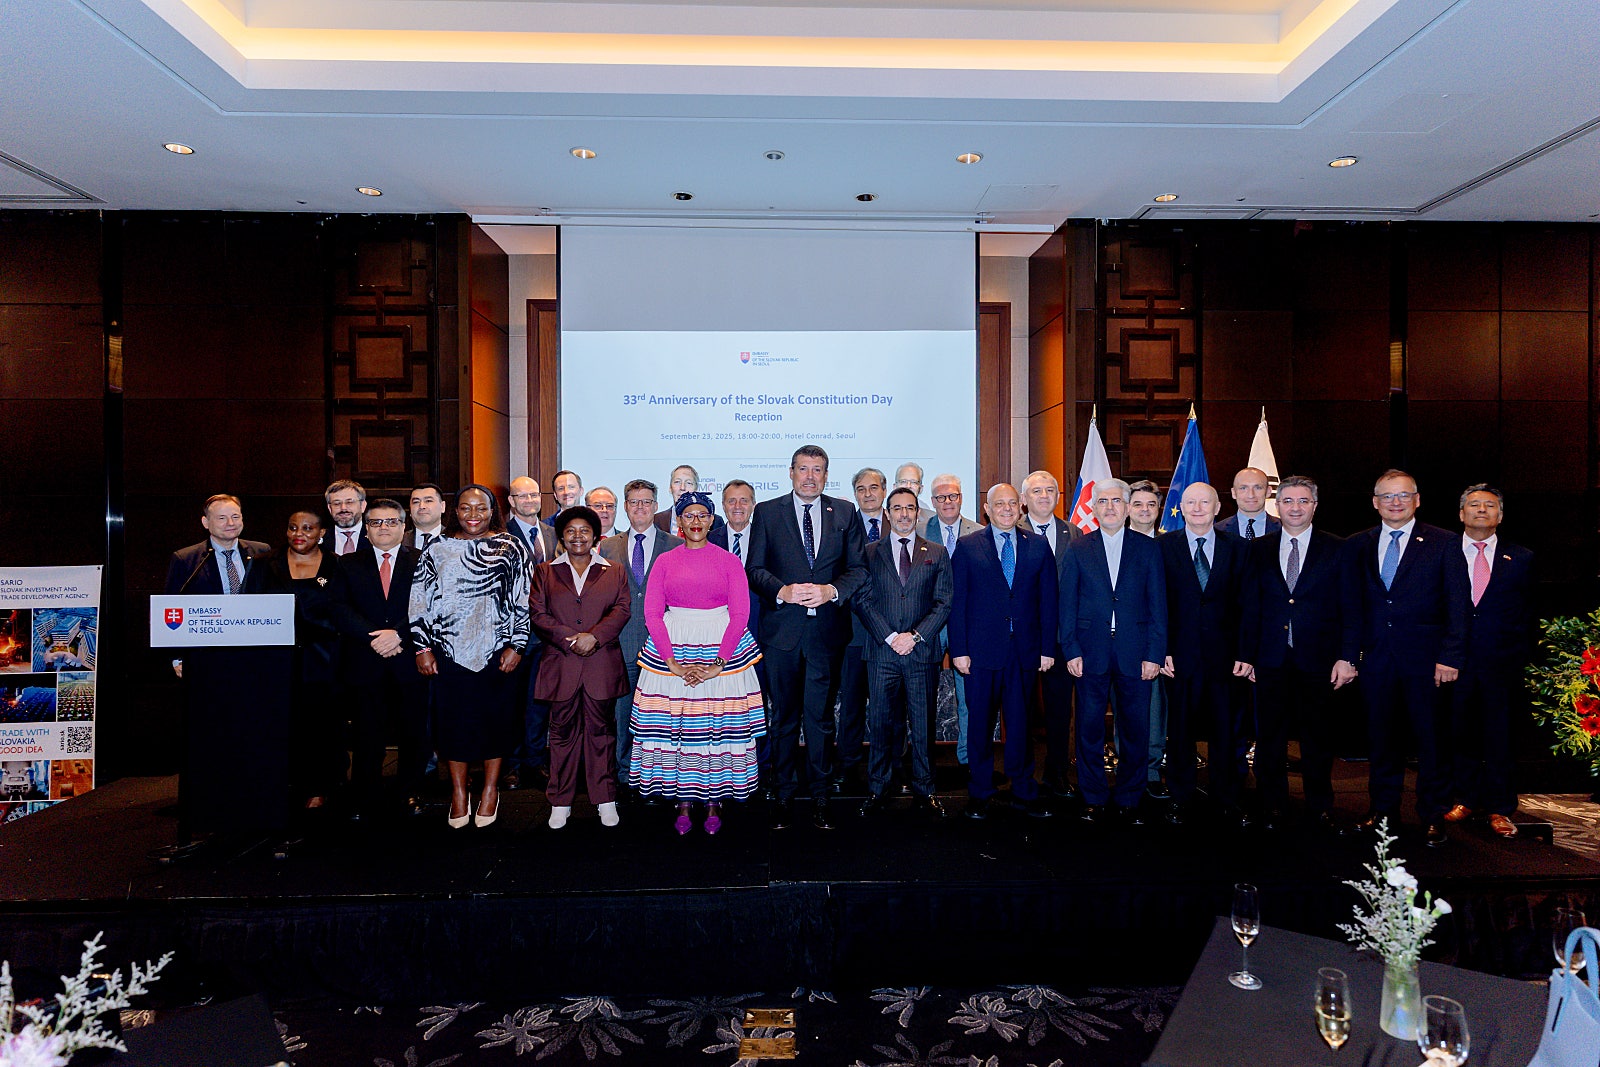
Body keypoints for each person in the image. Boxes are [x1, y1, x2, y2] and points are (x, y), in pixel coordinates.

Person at [746, 444, 868, 829]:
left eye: (817, 470)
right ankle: (784, 793)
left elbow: (859, 569)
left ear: (826, 475)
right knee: (783, 718)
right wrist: (781, 591)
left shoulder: (845, 512)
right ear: (791, 472)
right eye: (803, 469)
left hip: (826, 634)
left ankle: (820, 795)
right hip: (782, 634)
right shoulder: (767, 512)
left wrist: (831, 591)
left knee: (820, 720)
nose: (810, 476)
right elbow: (755, 569)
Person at [629, 493, 765, 833]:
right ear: (679, 521)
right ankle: (683, 802)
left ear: (711, 520)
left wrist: (719, 663)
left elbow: (740, 614)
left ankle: (714, 800)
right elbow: (652, 613)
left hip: (722, 647)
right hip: (673, 646)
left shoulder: (729, 561)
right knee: (679, 728)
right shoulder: (664, 561)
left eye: (702, 515)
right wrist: (672, 664)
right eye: (688, 515)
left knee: (715, 729)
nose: (695, 521)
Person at [1347, 469, 1469, 848]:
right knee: (1381, 740)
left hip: (1428, 662)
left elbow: (1458, 604)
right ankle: (1383, 812)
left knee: (1431, 740)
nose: (1395, 502)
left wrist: (1451, 656)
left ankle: (1432, 814)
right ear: (1375, 502)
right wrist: (1350, 656)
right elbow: (1350, 607)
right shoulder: (1357, 544)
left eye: (1403, 495)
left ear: (1417, 500)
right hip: (1376, 660)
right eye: (1387, 496)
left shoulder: (1445, 542)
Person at [1236, 476, 1359, 833]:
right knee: (1269, 739)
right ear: (1277, 506)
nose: (1295, 507)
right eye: (1288, 501)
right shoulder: (1258, 549)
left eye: (1303, 501)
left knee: (1317, 739)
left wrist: (1348, 656)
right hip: (1269, 660)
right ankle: (1272, 804)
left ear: (1315, 506)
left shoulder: (1338, 548)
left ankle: (1319, 806)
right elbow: (1249, 607)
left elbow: (1352, 607)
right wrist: (1248, 655)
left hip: (1320, 661)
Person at [411, 485, 531, 830]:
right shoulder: (437, 548)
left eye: (481, 508)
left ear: (493, 511)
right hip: (448, 652)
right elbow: (420, 599)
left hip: (497, 651)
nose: (473, 515)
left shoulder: (512, 546)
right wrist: (422, 647)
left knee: (496, 723)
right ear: (456, 511)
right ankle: (459, 793)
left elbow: (524, 598)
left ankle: (491, 790)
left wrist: (517, 645)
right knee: (453, 726)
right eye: (466, 508)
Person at [1059, 478, 1167, 824]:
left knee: (1135, 729)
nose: (1109, 507)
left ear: (1128, 507)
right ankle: (1093, 796)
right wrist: (1070, 649)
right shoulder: (1078, 547)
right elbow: (1067, 604)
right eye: (1102, 501)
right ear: (1093, 508)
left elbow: (1158, 606)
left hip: (1136, 654)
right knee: (1088, 728)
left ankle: (1129, 797)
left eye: (1116, 501)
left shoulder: (1148, 549)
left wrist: (1154, 654)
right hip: (1089, 652)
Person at [950, 483, 1058, 819]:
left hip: (1024, 652)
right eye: (1000, 504)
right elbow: (958, 603)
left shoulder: (1038, 545)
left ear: (1021, 506)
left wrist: (1047, 648)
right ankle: (980, 792)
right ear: (987, 509)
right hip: (980, 653)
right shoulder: (968, 546)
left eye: (1012, 503)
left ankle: (1023, 790)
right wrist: (959, 650)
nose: (1007, 509)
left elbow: (1049, 601)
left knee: (1021, 724)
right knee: (980, 725)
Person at [530, 505, 632, 829]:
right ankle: (560, 801)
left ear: (595, 536)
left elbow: (622, 609)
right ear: (562, 537)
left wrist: (595, 637)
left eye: (584, 531)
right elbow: (539, 614)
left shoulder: (614, 570)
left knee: (602, 734)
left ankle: (605, 799)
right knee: (561, 735)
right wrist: (571, 639)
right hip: (562, 665)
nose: (578, 537)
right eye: (571, 531)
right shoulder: (545, 572)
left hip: (601, 664)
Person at [854, 487, 952, 816]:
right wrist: (891, 636)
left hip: (921, 654)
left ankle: (925, 789)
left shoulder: (936, 552)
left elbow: (944, 602)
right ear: (887, 513)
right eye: (897, 508)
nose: (904, 514)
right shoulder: (869, 552)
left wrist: (915, 636)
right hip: (882, 654)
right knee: (880, 724)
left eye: (910, 508)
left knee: (923, 726)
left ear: (918, 513)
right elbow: (862, 600)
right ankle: (878, 788)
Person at [1156, 483, 1249, 828]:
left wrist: (1245, 653)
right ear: (1180, 508)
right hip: (1179, 657)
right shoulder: (1163, 547)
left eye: (1204, 502)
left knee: (1227, 730)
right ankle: (1180, 796)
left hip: (1226, 657)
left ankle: (1227, 798)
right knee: (1180, 730)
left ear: (1217, 507)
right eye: (1190, 502)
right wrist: (1163, 650)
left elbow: (1248, 604)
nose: (1197, 508)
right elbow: (1157, 604)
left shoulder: (1238, 548)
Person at [1442, 484, 1533, 838]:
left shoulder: (1521, 557)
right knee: (1458, 731)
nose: (1482, 510)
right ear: (1461, 513)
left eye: (1490, 505)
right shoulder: (1442, 552)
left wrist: (1519, 657)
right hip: (1453, 661)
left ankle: (1500, 807)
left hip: (1502, 664)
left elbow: (1528, 612)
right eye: (1474, 504)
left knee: (1500, 736)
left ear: (1501, 515)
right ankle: (1464, 798)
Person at [330, 498, 430, 819]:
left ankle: (409, 791)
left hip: (409, 659)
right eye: (375, 522)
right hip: (365, 660)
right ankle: (365, 795)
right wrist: (375, 637)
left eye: (391, 522)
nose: (383, 528)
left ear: (404, 526)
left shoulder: (422, 561)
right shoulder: (347, 564)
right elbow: (339, 608)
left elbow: (431, 606)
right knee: (366, 734)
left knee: (413, 732)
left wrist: (398, 634)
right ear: (366, 529)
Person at [244, 508, 347, 813]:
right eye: (292, 528)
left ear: (322, 533)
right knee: (281, 724)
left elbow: (344, 610)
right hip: (277, 661)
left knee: (322, 726)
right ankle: (282, 785)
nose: (298, 534)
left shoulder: (337, 565)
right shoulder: (264, 563)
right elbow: (249, 609)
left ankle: (321, 786)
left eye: (307, 528)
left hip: (323, 660)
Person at [599, 479, 683, 790]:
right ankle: (624, 776)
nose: (640, 507)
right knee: (622, 715)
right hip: (621, 644)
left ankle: (661, 775)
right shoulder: (608, 546)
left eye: (646, 502)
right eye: (634, 502)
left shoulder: (675, 545)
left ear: (656, 506)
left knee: (661, 716)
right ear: (625, 506)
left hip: (662, 647)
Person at [1021, 470, 1080, 799]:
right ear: (1024, 499)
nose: (1044, 496)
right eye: (1037, 491)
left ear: (1058, 497)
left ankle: (1057, 774)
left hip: (1062, 637)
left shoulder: (1074, 532)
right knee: (1023, 712)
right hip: (1023, 638)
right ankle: (1024, 777)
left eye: (1050, 490)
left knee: (1060, 712)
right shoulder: (1011, 530)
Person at [836, 466, 889, 789]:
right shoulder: (842, 526)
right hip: (854, 631)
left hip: (892, 633)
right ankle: (847, 766)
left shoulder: (901, 523)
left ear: (884, 490)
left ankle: (890, 767)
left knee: (890, 707)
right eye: (861, 489)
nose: (868, 494)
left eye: (873, 488)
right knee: (852, 706)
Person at [924, 473, 981, 766]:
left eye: (953, 495)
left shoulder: (980, 532)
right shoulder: (920, 530)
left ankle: (968, 758)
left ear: (961, 498)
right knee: (922, 695)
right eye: (941, 497)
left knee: (967, 695)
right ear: (932, 501)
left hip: (967, 625)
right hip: (929, 624)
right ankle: (924, 760)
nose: (948, 501)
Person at [505, 476, 557, 791]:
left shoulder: (553, 533)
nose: (529, 500)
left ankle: (535, 762)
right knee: (511, 702)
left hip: (547, 633)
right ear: (511, 501)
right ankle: (511, 765)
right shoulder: (500, 536)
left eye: (533, 495)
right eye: (521, 496)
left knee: (539, 703)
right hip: (512, 634)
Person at [1123, 478, 1168, 795]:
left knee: (1156, 713)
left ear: (1159, 508)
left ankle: (1151, 772)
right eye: (1138, 504)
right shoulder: (1114, 542)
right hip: (1122, 643)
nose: (1144, 510)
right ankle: (1127, 770)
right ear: (1127, 508)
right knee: (1125, 713)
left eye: (1151, 504)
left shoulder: (1170, 545)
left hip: (1159, 644)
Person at [1218, 468, 1279, 542]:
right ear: (1233, 493)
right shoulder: (1216, 531)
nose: (1251, 495)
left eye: (1258, 488)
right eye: (1243, 488)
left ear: (1268, 492)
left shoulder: (1284, 529)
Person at [325, 480, 369, 556]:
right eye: (337, 503)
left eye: (349, 502)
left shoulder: (376, 537)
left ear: (362, 506)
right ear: (329, 508)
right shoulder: (319, 539)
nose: (343, 508)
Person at [894, 462, 937, 526]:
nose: (908, 486)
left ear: (921, 488)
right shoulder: (884, 517)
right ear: (895, 487)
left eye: (913, 482)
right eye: (903, 481)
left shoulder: (932, 518)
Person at [408, 483, 448, 549]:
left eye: (428, 501)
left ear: (442, 506)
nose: (421, 506)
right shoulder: (397, 540)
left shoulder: (455, 540)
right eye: (416, 502)